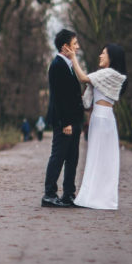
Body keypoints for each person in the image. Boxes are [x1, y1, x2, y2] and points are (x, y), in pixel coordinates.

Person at [70, 44, 127, 210]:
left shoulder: (110, 73)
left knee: (100, 158)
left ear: (112, 57)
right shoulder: (104, 75)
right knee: (96, 158)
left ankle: (100, 198)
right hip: (98, 118)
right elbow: (87, 101)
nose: (100, 56)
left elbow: (83, 78)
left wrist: (73, 57)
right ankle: (95, 196)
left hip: (103, 119)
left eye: (103, 53)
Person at [42, 29, 84, 208]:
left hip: (75, 120)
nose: (78, 46)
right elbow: (59, 97)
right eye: (75, 44)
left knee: (72, 158)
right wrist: (66, 122)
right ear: (65, 46)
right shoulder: (57, 65)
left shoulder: (69, 65)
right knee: (58, 156)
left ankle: (68, 194)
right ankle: (49, 195)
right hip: (64, 121)